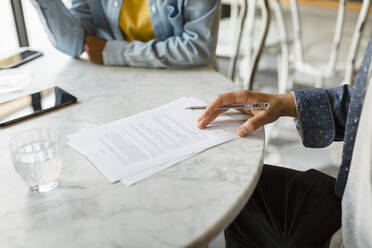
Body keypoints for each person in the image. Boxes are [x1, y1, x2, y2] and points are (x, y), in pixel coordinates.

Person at [197, 32, 372, 247]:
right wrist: (284, 103)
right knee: (240, 189)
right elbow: (364, 106)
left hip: (359, 234)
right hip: (349, 203)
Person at [31, 0, 220, 68]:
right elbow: (76, 44)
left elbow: (198, 49)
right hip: (120, 82)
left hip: (186, 80)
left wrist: (115, 52)